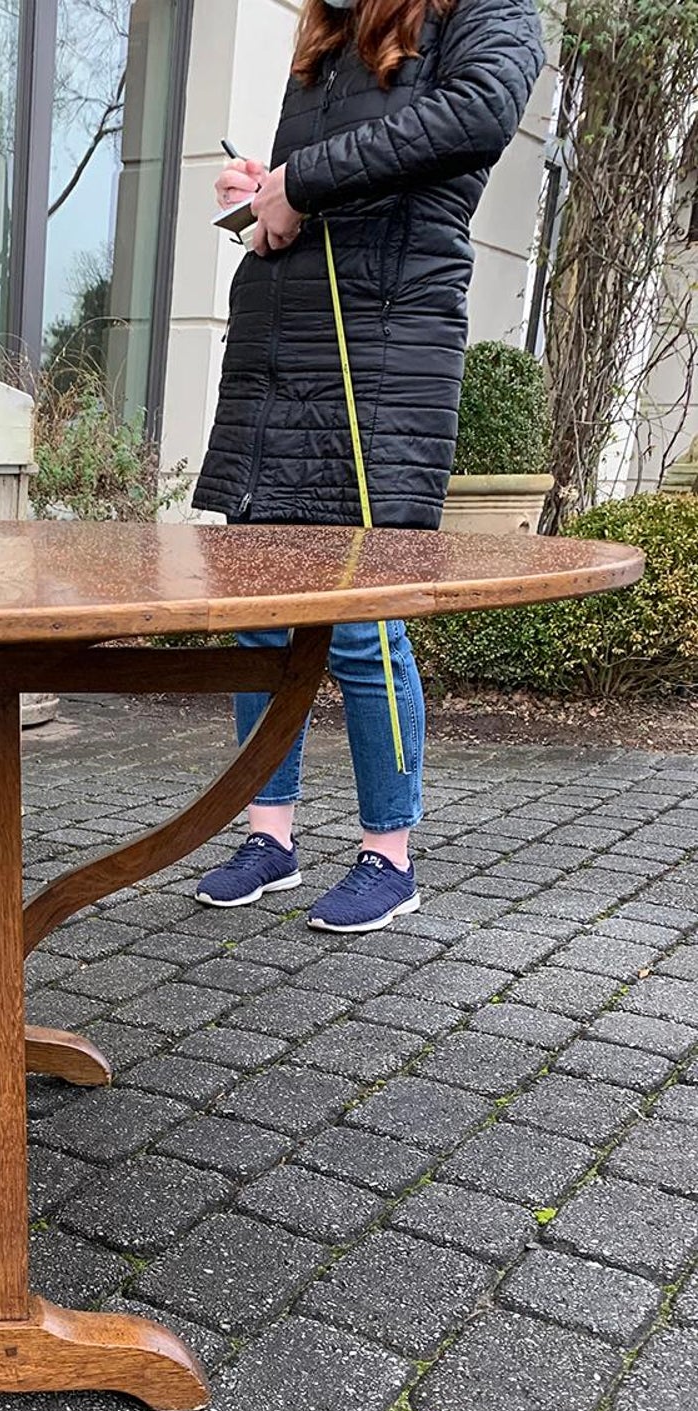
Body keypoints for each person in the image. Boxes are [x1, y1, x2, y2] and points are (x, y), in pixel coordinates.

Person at [191, 0, 544, 932]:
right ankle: (270, 837)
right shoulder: (326, 38)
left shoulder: (488, 11)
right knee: (262, 622)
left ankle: (389, 855)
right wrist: (262, 197)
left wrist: (299, 182)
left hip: (381, 358)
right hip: (282, 350)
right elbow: (318, 189)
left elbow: (476, 114)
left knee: (360, 625)